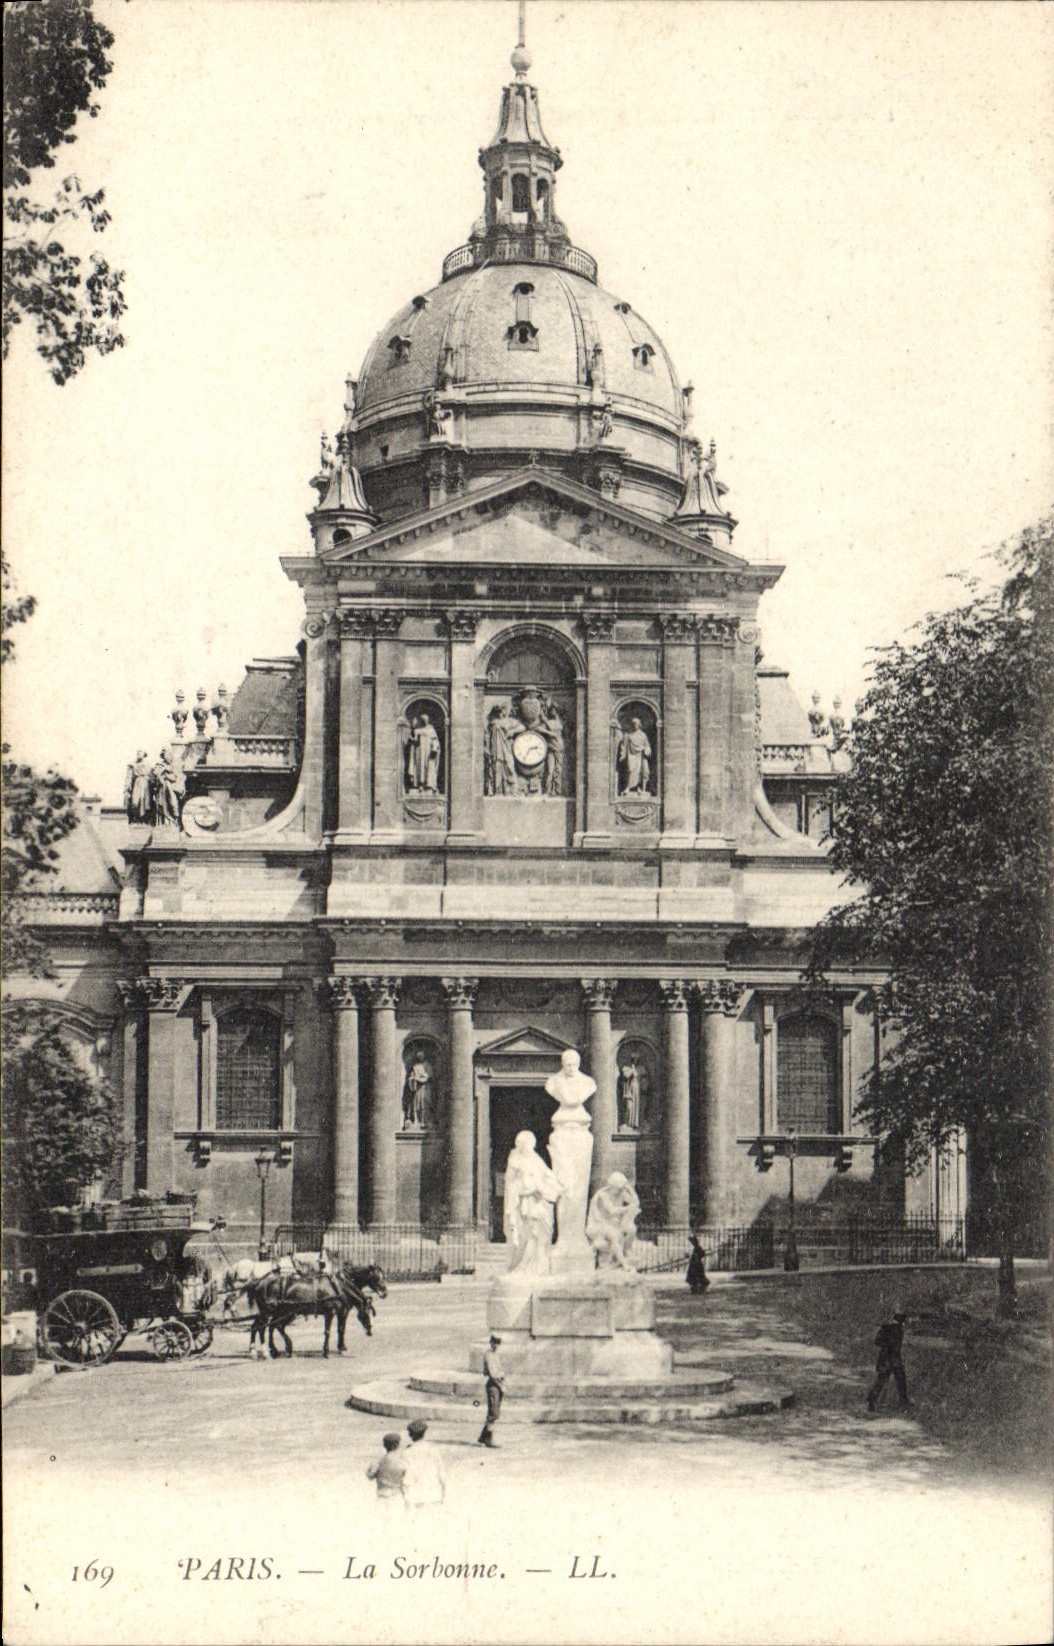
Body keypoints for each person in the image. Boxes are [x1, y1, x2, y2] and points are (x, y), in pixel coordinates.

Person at [503, 1131, 562, 1275]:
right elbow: (511, 1184)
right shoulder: (515, 1161)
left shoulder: (536, 1160)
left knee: (539, 1235)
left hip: (539, 1202)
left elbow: (548, 1176)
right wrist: (529, 1189)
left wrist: (551, 1187)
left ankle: (536, 1267)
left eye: (531, 1144)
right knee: (526, 1236)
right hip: (525, 1204)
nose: (529, 1147)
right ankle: (521, 1267)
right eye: (526, 1144)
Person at [867, 1310, 910, 1412]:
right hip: (891, 1359)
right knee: (898, 1380)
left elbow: (877, 1342)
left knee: (884, 1380)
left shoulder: (887, 1328)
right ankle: (903, 1403)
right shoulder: (896, 1330)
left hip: (888, 1358)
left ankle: (871, 1400)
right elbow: (882, 1343)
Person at [401, 1418, 446, 1507]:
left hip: (416, 1496)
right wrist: (443, 1494)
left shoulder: (406, 1452)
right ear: (424, 1434)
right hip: (434, 1495)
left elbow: (405, 1477)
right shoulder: (433, 1449)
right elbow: (442, 1474)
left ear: (410, 1435)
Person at [477, 1334, 505, 1447]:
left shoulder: (495, 1355)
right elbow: (493, 1374)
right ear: (491, 1343)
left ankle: (483, 1437)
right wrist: (501, 1385)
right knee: (493, 1413)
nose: (496, 1346)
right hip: (493, 1385)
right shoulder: (488, 1355)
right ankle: (489, 1439)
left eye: (498, 1344)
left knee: (495, 1412)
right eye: (494, 1343)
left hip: (498, 1384)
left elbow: (501, 1371)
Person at [366, 1432, 406, 1504]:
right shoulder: (403, 1460)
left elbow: (370, 1476)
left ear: (384, 1445)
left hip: (382, 1495)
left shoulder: (378, 1460)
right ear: (397, 1445)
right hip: (397, 1495)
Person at [616, 717, 652, 795]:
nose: (634, 725)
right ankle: (628, 787)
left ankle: (640, 788)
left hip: (640, 756)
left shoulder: (643, 735)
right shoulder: (628, 735)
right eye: (633, 724)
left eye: (636, 724)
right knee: (630, 770)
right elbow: (624, 746)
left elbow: (647, 746)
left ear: (639, 725)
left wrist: (646, 750)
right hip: (631, 756)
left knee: (641, 772)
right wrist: (622, 755)